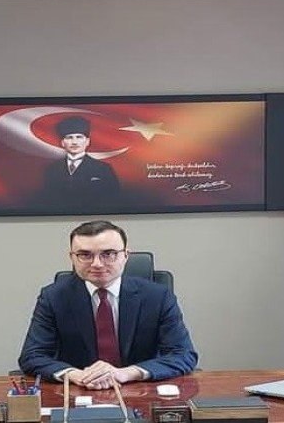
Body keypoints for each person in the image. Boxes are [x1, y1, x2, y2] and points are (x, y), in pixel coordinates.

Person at [18, 220, 198, 390]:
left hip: (139, 390)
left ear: (125, 255)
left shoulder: (158, 296)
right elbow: (32, 356)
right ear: (72, 258)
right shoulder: (54, 297)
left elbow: (183, 354)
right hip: (78, 391)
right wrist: (76, 375)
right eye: (85, 255)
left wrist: (125, 373)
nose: (97, 264)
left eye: (108, 254)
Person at [36, 117, 120, 208]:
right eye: (69, 137)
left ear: (87, 141)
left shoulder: (103, 169)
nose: (74, 142)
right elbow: (47, 200)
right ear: (62, 143)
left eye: (79, 137)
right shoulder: (52, 169)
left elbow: (114, 200)